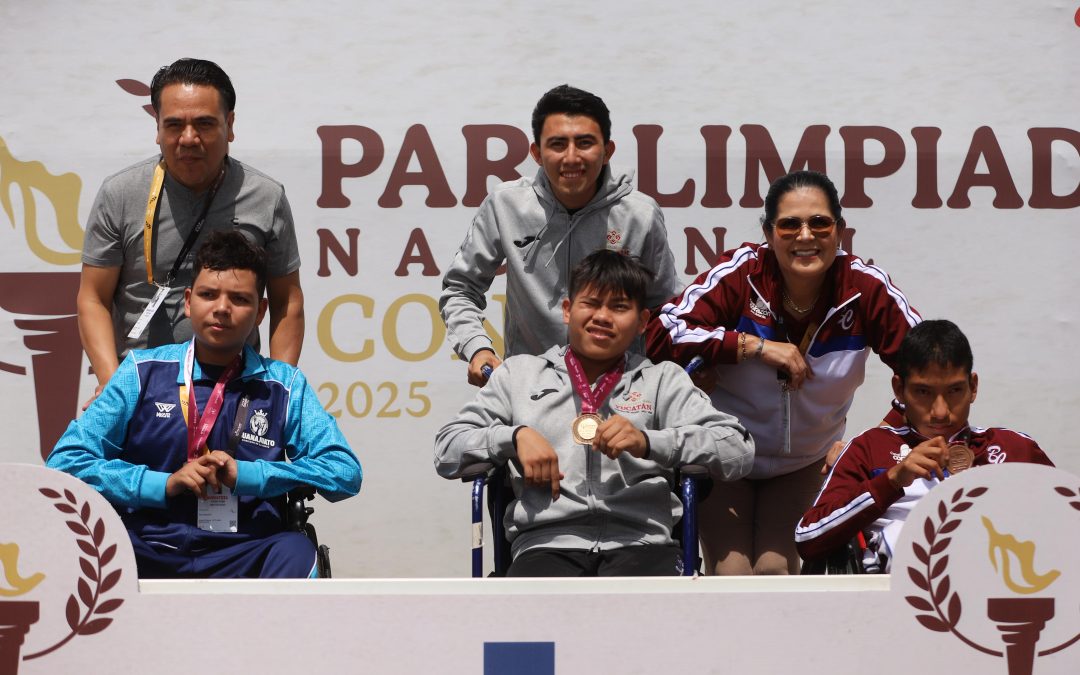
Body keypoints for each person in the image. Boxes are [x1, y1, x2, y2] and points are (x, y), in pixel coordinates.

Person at [646, 169, 921, 575]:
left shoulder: (864, 288)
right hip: (725, 455)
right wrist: (750, 347)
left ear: (840, 230)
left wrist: (873, 442)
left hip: (805, 462)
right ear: (769, 232)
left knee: (775, 573)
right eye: (790, 224)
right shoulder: (743, 273)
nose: (805, 236)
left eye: (819, 223)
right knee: (732, 576)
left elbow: (926, 368)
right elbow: (662, 330)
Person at [48, 232, 360, 578]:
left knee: (297, 553)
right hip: (148, 545)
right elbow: (65, 462)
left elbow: (344, 472)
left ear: (260, 312)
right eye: (208, 295)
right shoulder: (140, 372)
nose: (222, 309)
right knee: (80, 550)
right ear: (187, 301)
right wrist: (160, 484)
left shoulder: (284, 385)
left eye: (240, 299)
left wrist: (252, 475)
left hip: (249, 549)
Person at [435, 250, 753, 577]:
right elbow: (446, 449)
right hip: (545, 546)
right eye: (590, 303)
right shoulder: (519, 375)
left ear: (643, 322)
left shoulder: (662, 380)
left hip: (643, 545)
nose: (602, 316)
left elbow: (738, 451)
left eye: (619, 307)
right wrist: (514, 437)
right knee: (531, 620)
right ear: (568, 310)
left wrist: (650, 442)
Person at [78, 57, 304, 400]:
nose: (188, 138)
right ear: (157, 128)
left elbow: (287, 301)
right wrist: (112, 386)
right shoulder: (121, 194)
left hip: (236, 391)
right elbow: (93, 297)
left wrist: (279, 391)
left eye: (204, 124)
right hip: (139, 388)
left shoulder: (266, 197)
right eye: (174, 125)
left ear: (229, 125)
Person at [439, 84, 680, 386]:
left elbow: (667, 309)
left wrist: (662, 381)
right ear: (537, 154)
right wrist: (477, 347)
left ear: (607, 151)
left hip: (619, 390)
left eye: (584, 143)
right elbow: (460, 289)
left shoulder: (640, 213)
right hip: (529, 389)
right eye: (557, 144)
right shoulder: (506, 204)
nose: (571, 157)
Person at [795, 320, 1053, 572]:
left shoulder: (1013, 448)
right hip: (889, 603)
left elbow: (1068, 519)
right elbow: (808, 538)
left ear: (973, 387)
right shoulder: (869, 448)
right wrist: (892, 481)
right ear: (899, 389)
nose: (940, 412)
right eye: (923, 392)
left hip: (999, 598)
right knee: (897, 537)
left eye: (954, 391)